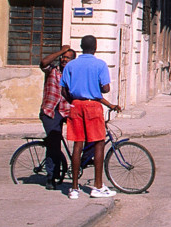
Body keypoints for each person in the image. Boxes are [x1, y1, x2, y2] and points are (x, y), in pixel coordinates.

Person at [60, 35, 121, 199]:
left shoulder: (71, 65)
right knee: (99, 143)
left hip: (76, 105)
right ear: (95, 48)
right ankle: (97, 186)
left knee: (77, 144)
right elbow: (105, 88)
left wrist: (74, 100)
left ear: (81, 47)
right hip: (93, 106)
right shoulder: (100, 64)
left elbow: (63, 90)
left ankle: (74, 188)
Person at [38, 44, 76, 190]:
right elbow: (43, 63)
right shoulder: (52, 70)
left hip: (66, 110)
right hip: (50, 110)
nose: (64, 60)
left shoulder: (73, 74)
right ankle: (51, 176)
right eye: (63, 57)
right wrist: (61, 51)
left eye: (68, 58)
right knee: (54, 143)